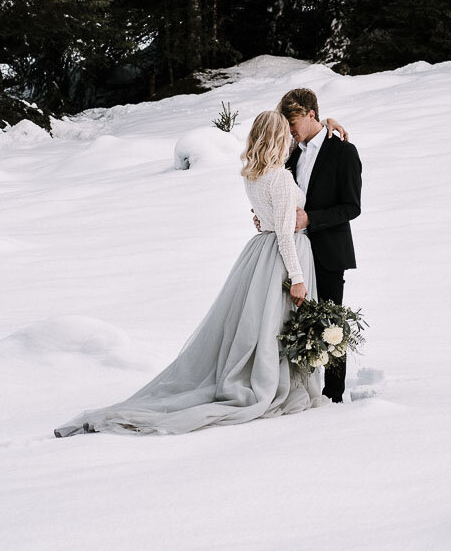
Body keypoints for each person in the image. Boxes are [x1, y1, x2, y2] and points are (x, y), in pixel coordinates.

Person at [54, 110, 328, 437]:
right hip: (284, 256)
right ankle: (274, 382)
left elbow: (263, 218)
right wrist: (297, 279)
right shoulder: (280, 178)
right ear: (279, 138)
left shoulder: (252, 174)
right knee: (275, 325)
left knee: (265, 326)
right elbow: (285, 232)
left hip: (259, 253)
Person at [279, 89, 362, 403]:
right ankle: (301, 388)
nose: (290, 127)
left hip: (328, 249)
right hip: (292, 251)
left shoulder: (344, 152)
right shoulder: (292, 151)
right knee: (294, 319)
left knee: (331, 323)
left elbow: (351, 207)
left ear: (310, 113)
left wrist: (309, 219)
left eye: (294, 120)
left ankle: (334, 394)